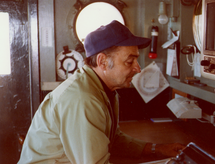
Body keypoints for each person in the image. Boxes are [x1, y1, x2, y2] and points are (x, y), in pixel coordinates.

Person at [18, 20, 185, 164]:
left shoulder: (103, 89)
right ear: (103, 62)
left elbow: (113, 140)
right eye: (130, 61)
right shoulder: (83, 99)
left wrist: (158, 149)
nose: (138, 68)